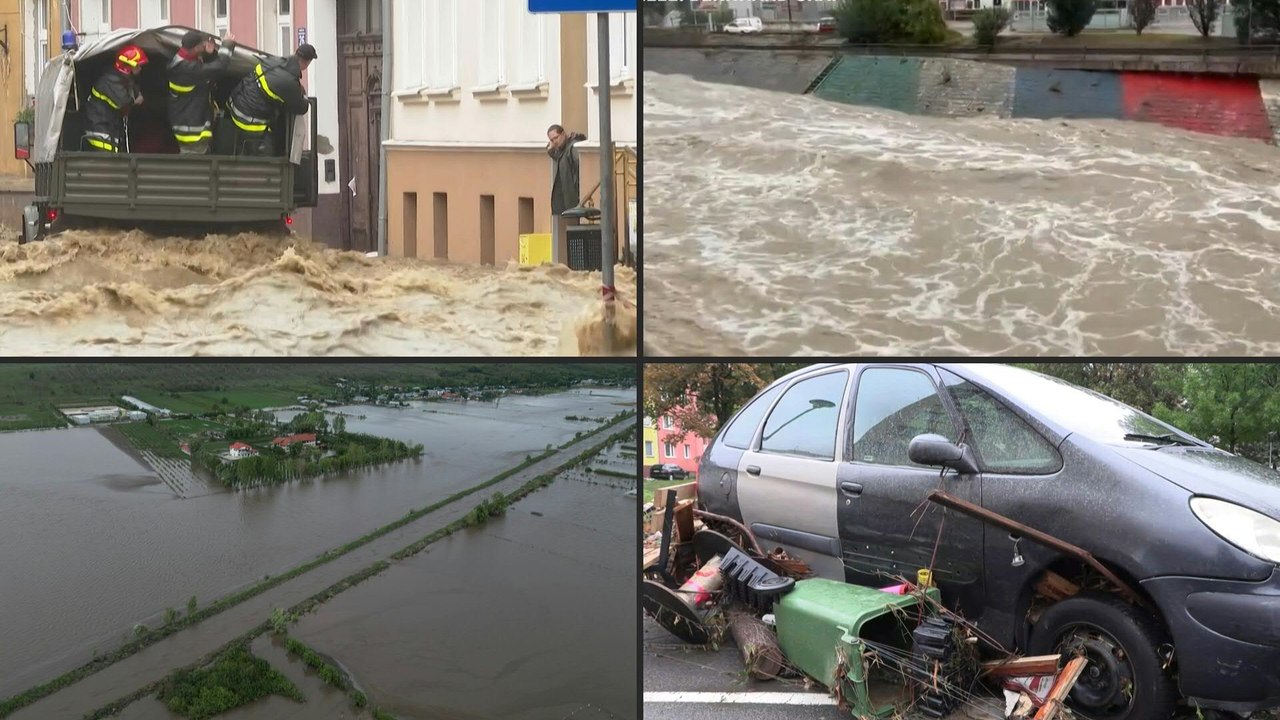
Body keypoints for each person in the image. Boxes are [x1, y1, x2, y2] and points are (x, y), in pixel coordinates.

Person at [217, 43, 315, 157]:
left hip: (234, 103)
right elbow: (302, 107)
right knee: (271, 148)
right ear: (306, 63)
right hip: (247, 119)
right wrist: (301, 94)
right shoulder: (289, 81)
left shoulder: (274, 61)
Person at [167, 30, 237, 154]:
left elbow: (205, 72)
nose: (205, 46)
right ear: (196, 47)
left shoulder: (184, 59)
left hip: (191, 122)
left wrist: (210, 55)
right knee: (195, 168)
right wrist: (227, 45)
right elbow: (218, 67)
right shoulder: (184, 68)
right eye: (202, 44)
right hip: (192, 130)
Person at [83, 44, 148, 153]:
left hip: (109, 127)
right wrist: (136, 101)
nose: (140, 68)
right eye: (137, 65)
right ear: (127, 65)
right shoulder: (110, 79)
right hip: (100, 128)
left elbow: (134, 91)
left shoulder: (123, 77)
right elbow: (123, 102)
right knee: (107, 166)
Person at [547, 124, 586, 263]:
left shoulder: (572, 148)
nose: (554, 142)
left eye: (556, 138)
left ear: (563, 134)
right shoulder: (561, 151)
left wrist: (579, 194)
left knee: (578, 236)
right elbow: (555, 155)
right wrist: (550, 149)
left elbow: (581, 168)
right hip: (568, 203)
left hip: (575, 200)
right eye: (552, 140)